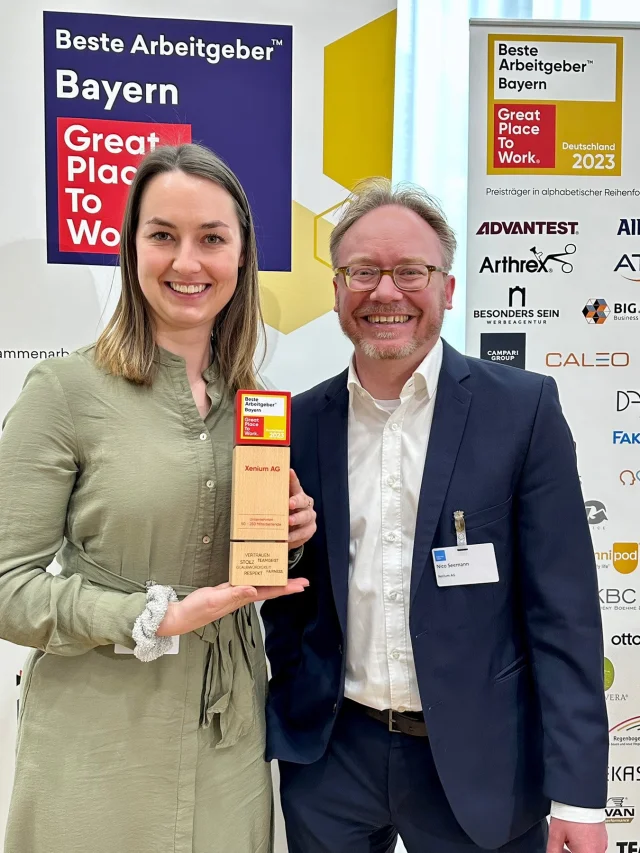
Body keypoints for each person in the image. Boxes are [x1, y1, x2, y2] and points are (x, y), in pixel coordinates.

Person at [261, 178, 608, 853]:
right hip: (333, 756)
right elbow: (289, 594)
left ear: (447, 287)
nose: (384, 292)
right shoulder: (296, 423)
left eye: (410, 271)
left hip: (481, 766)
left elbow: (562, 612)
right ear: (336, 289)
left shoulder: (522, 411)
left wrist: (578, 795)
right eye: (363, 271)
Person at [0, 142, 316, 853]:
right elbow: (4, 586)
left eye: (212, 239)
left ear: (242, 255)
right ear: (130, 247)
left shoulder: (255, 404)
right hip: (98, 734)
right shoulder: (64, 392)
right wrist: (147, 616)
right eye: (163, 236)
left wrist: (289, 533)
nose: (187, 262)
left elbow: (231, 547)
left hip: (228, 733)